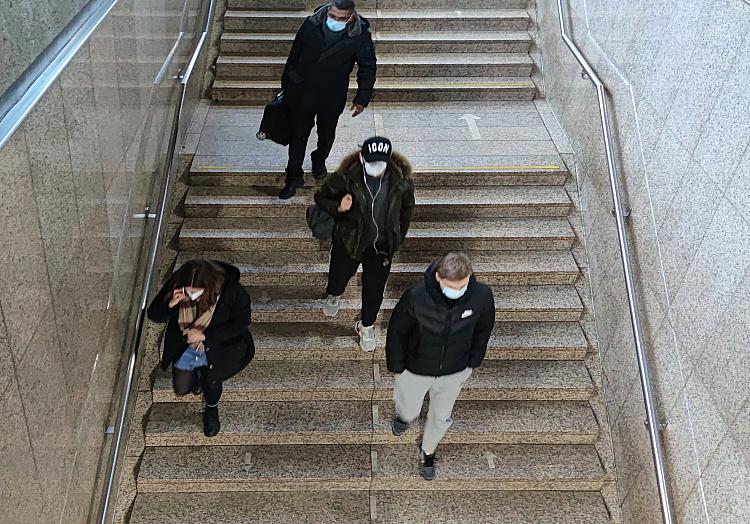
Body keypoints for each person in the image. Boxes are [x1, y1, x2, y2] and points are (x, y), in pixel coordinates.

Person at [385, 253, 496, 480]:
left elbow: (483, 330)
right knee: (409, 406)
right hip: (417, 368)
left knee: (441, 416)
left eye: (462, 286)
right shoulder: (416, 297)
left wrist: (473, 362)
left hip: (454, 370)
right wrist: (397, 368)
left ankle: (428, 451)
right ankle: (404, 416)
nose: (456, 291)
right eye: (451, 286)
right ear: (438, 277)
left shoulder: (482, 296)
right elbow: (397, 333)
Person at [314, 136, 415, 352]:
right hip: (350, 240)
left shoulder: (401, 182)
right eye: (371, 163)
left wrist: (398, 238)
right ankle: (334, 294)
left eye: (380, 163)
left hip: (381, 247)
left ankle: (366, 325)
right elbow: (321, 197)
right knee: (338, 276)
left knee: (375, 290)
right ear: (361, 157)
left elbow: (407, 210)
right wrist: (339, 208)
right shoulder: (346, 177)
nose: (375, 168)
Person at [278, 0, 377, 199]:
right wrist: (286, 85)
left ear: (351, 17)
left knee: (326, 135)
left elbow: (368, 66)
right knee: (298, 135)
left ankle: (318, 160)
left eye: (341, 18)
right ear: (328, 11)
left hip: (332, 93)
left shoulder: (359, 34)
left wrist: (362, 98)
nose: (335, 21)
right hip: (303, 90)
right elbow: (294, 55)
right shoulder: (311, 24)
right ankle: (293, 177)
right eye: (332, 16)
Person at [147, 260, 254, 437]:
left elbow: (241, 323)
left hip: (218, 349)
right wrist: (170, 305)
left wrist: (205, 336)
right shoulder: (178, 283)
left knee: (212, 383)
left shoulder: (232, 292)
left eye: (195, 290)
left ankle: (211, 410)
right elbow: (154, 314)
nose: (190, 294)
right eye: (187, 289)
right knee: (182, 388)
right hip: (186, 347)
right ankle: (199, 377)